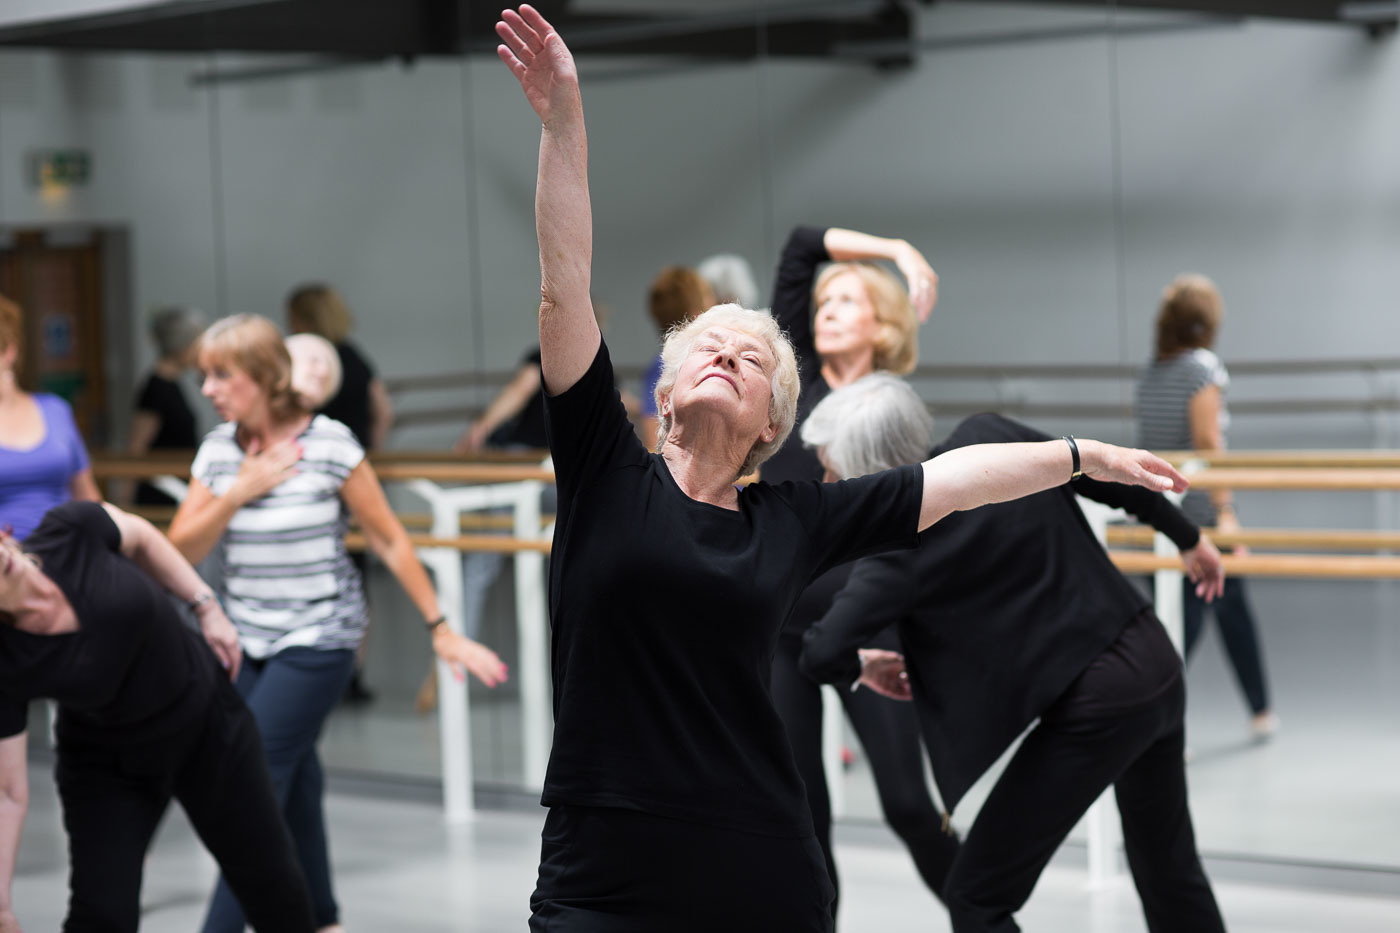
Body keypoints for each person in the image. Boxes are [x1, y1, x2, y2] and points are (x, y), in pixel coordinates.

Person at [494, 8, 1188, 929]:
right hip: (601, 862)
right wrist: (563, 121)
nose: (728, 357)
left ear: (772, 424)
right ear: (664, 389)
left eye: (752, 360)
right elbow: (563, 276)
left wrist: (1082, 456)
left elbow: (960, 478)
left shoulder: (789, 520)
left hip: (758, 861)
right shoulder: (601, 472)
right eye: (710, 346)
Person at [798, 374, 1230, 933]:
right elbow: (1105, 477)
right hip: (1154, 661)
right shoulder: (989, 436)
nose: (828, 482)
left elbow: (819, 653)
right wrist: (1188, 539)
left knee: (977, 898)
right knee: (1169, 867)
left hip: (1100, 704)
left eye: (833, 469)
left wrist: (863, 666)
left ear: (866, 470)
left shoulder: (897, 553)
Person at [167, 315, 508, 933]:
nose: (209, 389)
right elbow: (180, 550)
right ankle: (320, 917)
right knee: (292, 775)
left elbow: (389, 539)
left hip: (321, 639)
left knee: (253, 784)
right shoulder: (219, 453)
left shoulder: (329, 444)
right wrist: (236, 493)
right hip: (247, 642)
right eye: (202, 377)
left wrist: (440, 626)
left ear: (265, 377)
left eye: (222, 375)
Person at [0, 501, 316, 932]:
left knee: (273, 886)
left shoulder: (70, 530)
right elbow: (7, 792)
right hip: (110, 766)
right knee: (103, 916)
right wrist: (1, 905)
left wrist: (205, 604)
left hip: (208, 724)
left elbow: (144, 536)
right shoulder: (5, 660)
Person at [761, 221, 951, 916]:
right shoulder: (796, 380)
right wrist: (897, 249)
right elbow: (800, 247)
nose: (827, 309)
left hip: (870, 629)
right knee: (804, 816)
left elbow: (916, 528)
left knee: (906, 803)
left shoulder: (892, 410)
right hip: (783, 633)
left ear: (882, 320)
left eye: (845, 300)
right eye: (822, 303)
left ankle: (983, 914)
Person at [1136, 274, 1277, 739]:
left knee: (1226, 612)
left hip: (1161, 508)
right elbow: (1207, 442)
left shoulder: (1153, 371)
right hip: (1195, 517)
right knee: (1184, 626)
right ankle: (1153, 723)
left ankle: (1260, 711)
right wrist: (1226, 510)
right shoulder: (1203, 368)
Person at [287, 285, 393, 704]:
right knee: (355, 575)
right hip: (352, 476)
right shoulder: (355, 357)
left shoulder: (302, 362)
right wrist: (370, 457)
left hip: (310, 480)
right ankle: (353, 675)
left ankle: (311, 666)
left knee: (311, 569)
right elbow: (382, 410)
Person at [0, 294, 101, 541]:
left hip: (66, 547)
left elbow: (88, 496)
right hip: (9, 561)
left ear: (9, 351)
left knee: (139, 536)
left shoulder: (55, 410)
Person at [128, 305, 205, 506]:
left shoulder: (173, 383)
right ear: (182, 346)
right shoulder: (156, 387)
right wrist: (126, 498)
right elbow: (137, 447)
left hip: (178, 488)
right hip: (162, 494)